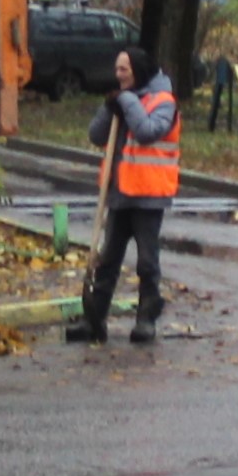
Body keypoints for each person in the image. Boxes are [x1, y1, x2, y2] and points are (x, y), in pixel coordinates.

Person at [70, 47, 180, 345]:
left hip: (148, 196)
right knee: (107, 261)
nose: (118, 75)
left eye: (124, 70)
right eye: (117, 69)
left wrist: (127, 101)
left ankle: (146, 320)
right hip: (119, 192)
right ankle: (94, 321)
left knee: (146, 262)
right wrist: (110, 107)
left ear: (139, 71)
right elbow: (96, 136)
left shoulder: (164, 102)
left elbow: (147, 131)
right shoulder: (121, 100)